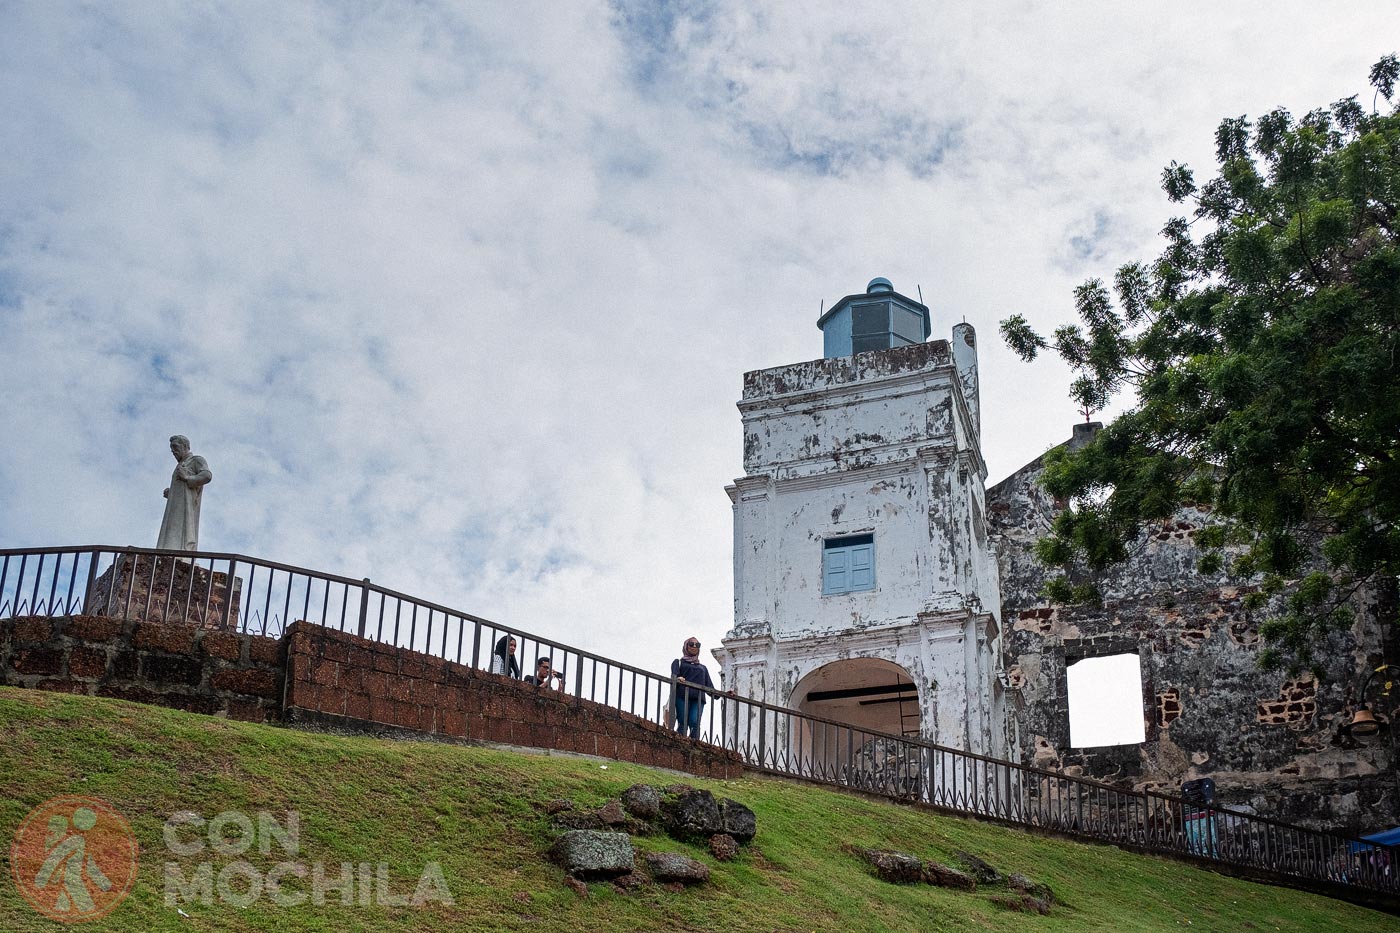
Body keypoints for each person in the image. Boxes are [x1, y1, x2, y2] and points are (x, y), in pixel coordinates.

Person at [156, 435, 212, 551]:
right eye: (171, 448)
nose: (173, 451)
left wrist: (187, 478)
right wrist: (172, 493)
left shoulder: (196, 460)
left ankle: (179, 551)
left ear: (185, 446)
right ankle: (168, 551)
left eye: (175, 447)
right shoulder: (180, 464)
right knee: (172, 526)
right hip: (175, 506)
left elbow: (207, 475)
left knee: (182, 526)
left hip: (187, 507)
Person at [671, 637, 714, 740]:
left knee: (694, 722)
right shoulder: (678, 662)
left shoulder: (703, 668)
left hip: (698, 699)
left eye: (697, 645)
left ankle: (694, 744)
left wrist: (725, 693)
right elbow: (674, 676)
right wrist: (678, 678)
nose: (694, 646)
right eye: (691, 644)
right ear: (686, 646)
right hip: (682, 696)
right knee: (683, 722)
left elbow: (710, 687)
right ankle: (679, 743)